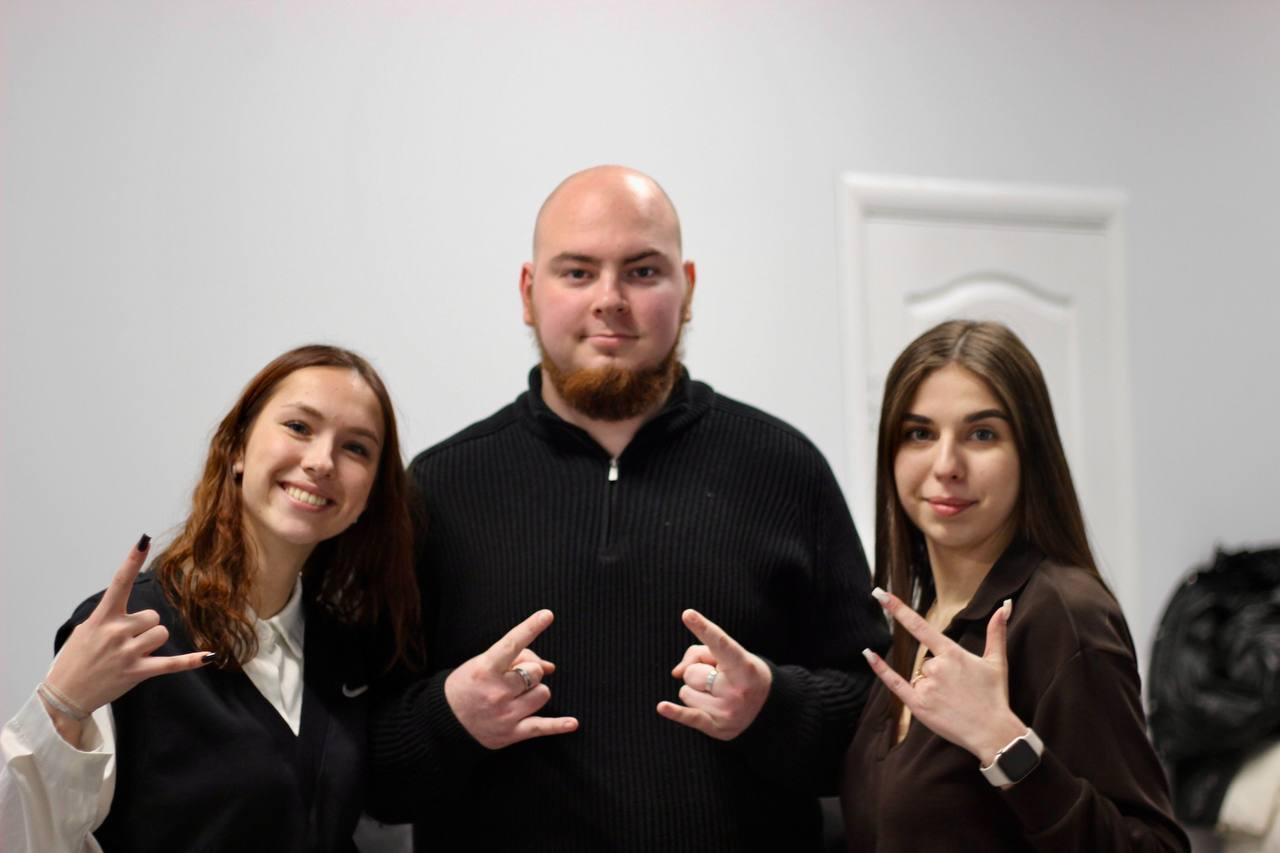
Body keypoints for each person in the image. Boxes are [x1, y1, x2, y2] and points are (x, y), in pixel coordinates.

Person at [368, 165, 889, 850]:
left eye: (642, 272)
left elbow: (879, 723)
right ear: (528, 293)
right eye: (577, 272)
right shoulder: (437, 487)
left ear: (688, 289)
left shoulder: (786, 468)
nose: (610, 300)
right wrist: (450, 717)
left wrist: (772, 705)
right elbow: (367, 769)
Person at [0, 345, 420, 852]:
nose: (321, 462)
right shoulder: (134, 632)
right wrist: (59, 706)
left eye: (356, 448)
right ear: (238, 447)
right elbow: (28, 833)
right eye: (299, 427)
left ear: (371, 492)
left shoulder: (349, 651)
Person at [841, 320, 1189, 851]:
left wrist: (1003, 743)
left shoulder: (1064, 615)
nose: (946, 465)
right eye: (920, 434)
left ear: (1030, 453)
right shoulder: (926, 615)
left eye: (982, 434)